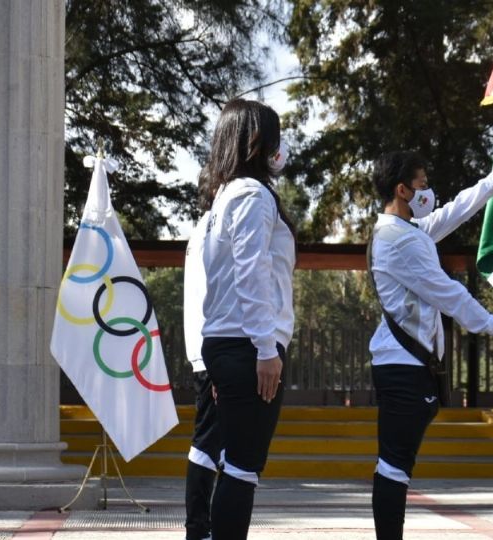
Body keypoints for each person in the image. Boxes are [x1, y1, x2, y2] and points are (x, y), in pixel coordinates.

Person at [367, 149, 493, 540]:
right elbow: (449, 296)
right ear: (402, 190)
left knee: (396, 464)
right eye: (421, 185)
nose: (428, 192)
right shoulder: (397, 239)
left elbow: (453, 212)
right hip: (403, 366)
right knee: (394, 465)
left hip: (407, 364)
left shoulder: (409, 231)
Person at [200, 99, 294, 540]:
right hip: (247, 343)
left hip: (225, 341)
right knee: (242, 468)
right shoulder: (253, 196)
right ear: (257, 143)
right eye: (274, 137)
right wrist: (265, 348)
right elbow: (252, 272)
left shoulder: (222, 199)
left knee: (234, 463)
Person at [182, 211, 222, 540]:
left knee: (211, 445)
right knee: (208, 444)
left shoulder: (201, 228)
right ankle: (199, 529)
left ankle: (202, 527)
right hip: (214, 353)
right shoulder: (215, 225)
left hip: (206, 351)